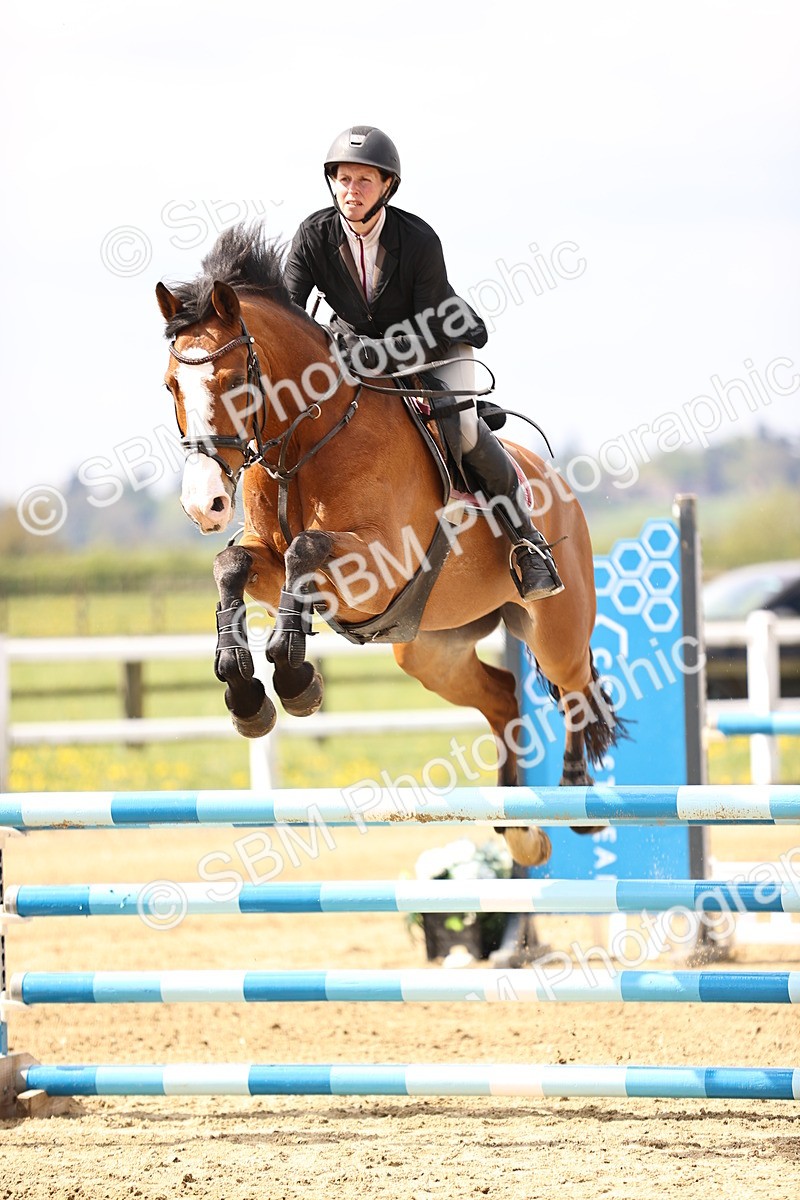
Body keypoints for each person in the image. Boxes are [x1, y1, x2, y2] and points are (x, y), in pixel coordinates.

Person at [283, 125, 563, 601]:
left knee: (465, 433)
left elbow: (434, 324)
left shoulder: (416, 239)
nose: (351, 192)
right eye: (343, 180)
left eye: (363, 181)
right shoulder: (314, 234)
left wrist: (383, 353)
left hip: (438, 342)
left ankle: (527, 542)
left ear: (386, 186)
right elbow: (289, 310)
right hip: (359, 354)